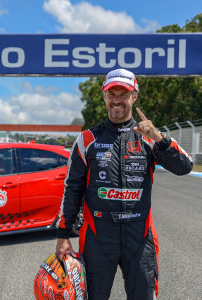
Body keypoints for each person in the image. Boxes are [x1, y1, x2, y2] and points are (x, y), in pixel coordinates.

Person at [55, 68, 193, 300]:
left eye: (124, 94)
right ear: (104, 96)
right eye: (112, 94)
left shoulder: (150, 138)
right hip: (98, 236)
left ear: (134, 96)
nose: (117, 100)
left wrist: (160, 138)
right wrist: (63, 235)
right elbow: (72, 189)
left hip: (139, 236)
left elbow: (184, 167)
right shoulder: (88, 139)